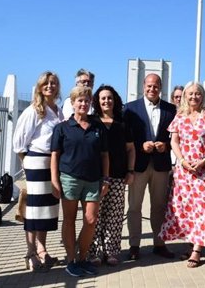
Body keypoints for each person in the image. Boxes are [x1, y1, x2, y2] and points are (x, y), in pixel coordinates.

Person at [160, 82, 205, 268]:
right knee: (186, 209)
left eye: (197, 93)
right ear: (185, 96)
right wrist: (183, 161)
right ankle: (191, 244)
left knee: (203, 209)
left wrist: (204, 159)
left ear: (202, 95)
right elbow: (174, 141)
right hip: (184, 171)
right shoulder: (180, 116)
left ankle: (197, 250)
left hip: (204, 170)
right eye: (190, 94)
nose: (194, 97)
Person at [51, 86, 110, 277]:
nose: (83, 104)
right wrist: (54, 181)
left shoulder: (97, 126)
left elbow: (104, 155)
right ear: (73, 102)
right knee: (69, 219)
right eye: (80, 100)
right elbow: (55, 156)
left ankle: (82, 257)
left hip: (93, 180)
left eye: (86, 101)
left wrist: (106, 179)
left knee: (91, 220)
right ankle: (71, 260)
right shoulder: (62, 128)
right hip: (69, 178)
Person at [12, 71, 63, 272]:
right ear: (40, 86)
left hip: (53, 163)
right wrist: (28, 165)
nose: (50, 86)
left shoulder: (58, 111)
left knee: (47, 210)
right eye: (46, 83)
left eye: (53, 83)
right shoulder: (34, 110)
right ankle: (30, 252)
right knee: (33, 211)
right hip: (36, 162)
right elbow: (19, 144)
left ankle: (42, 250)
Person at [123, 73, 177, 260]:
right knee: (134, 207)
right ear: (143, 86)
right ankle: (134, 245)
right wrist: (140, 146)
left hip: (161, 165)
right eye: (149, 86)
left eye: (156, 86)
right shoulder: (130, 109)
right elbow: (125, 137)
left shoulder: (171, 110)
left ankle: (159, 243)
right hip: (138, 165)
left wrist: (167, 145)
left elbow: (177, 138)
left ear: (161, 88)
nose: (152, 89)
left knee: (159, 206)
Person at [88, 85, 135, 266]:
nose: (106, 101)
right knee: (95, 216)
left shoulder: (123, 123)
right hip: (94, 177)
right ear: (97, 101)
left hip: (117, 175)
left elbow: (131, 149)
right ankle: (94, 252)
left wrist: (130, 171)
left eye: (110, 98)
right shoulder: (92, 122)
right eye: (103, 98)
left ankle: (112, 251)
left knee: (114, 216)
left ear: (114, 100)